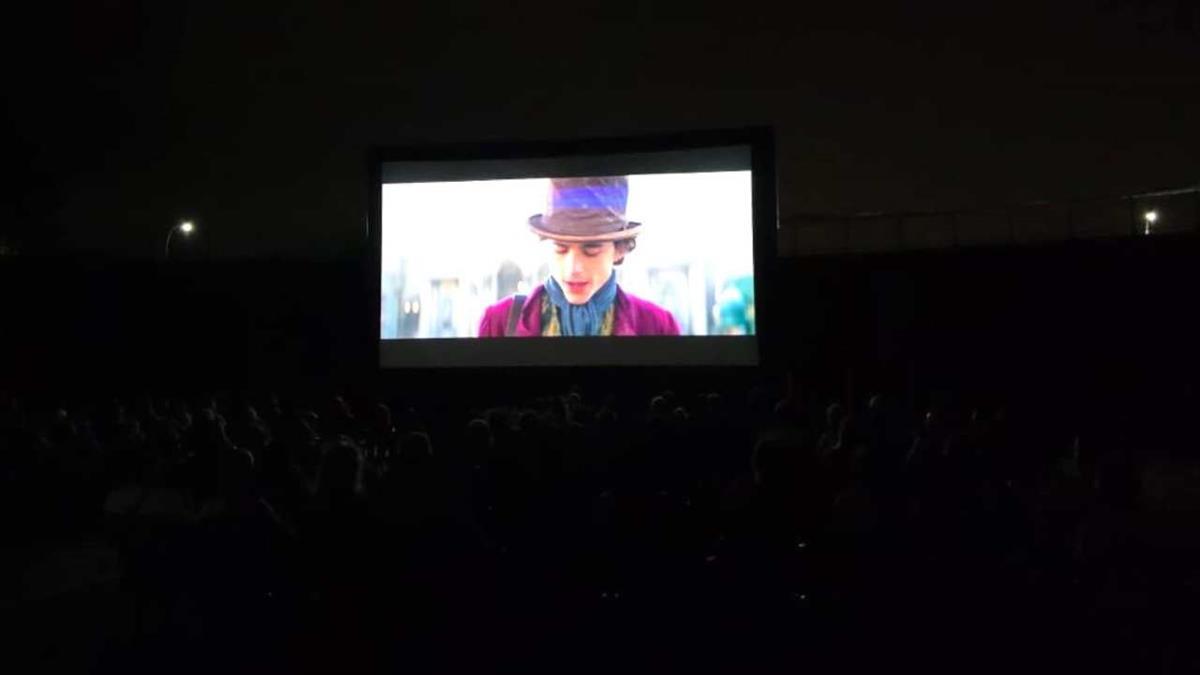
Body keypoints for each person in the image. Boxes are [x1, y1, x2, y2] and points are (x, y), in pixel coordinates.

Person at [478, 176, 681, 337]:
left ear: (619, 250)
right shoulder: (499, 321)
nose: (573, 268)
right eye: (560, 248)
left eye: (591, 250)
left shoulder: (657, 324)